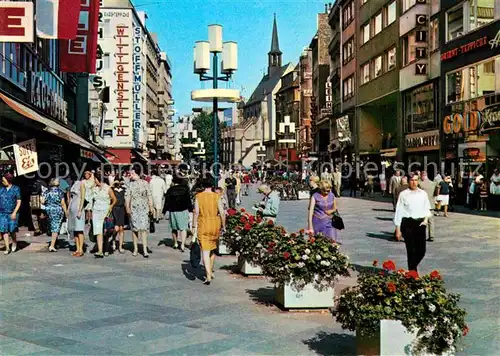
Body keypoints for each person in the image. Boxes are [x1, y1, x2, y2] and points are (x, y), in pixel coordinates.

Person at [394, 174, 432, 272]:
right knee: (411, 250)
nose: (414, 182)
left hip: (420, 224)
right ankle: (413, 275)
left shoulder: (423, 193)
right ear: (408, 181)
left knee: (421, 251)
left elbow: (427, 208)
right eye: (411, 180)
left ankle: (411, 271)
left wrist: (425, 221)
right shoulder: (403, 194)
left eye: (416, 180)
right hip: (407, 224)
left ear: (418, 181)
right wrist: (398, 229)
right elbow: (399, 211)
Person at [192, 176, 225, 285]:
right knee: (212, 248)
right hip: (215, 223)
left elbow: (196, 212)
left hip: (203, 223)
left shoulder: (198, 196)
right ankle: (210, 270)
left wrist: (193, 225)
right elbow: (222, 212)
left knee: (205, 251)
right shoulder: (217, 196)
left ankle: (208, 275)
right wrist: (223, 226)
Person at [126, 168, 154, 257]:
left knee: (144, 229)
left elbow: (149, 195)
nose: (131, 175)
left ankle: (145, 249)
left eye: (132, 173)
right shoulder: (130, 184)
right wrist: (127, 207)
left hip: (144, 208)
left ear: (137, 174)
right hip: (134, 208)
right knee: (135, 229)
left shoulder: (145, 183)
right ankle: (135, 249)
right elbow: (127, 197)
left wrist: (151, 207)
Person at [92, 173, 117, 258]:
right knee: (98, 231)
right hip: (96, 211)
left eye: (94, 179)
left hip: (105, 211)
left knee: (106, 231)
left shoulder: (108, 188)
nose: (94, 181)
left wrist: (110, 206)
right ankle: (100, 250)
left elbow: (114, 199)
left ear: (98, 179)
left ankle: (106, 248)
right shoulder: (94, 188)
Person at [165, 176, 192, 252]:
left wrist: (164, 210)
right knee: (183, 228)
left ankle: (176, 243)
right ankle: (182, 244)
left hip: (173, 210)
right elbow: (188, 200)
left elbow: (167, 201)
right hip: (183, 210)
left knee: (174, 228)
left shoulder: (170, 190)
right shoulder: (185, 189)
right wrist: (190, 209)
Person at [42, 179, 68, 252]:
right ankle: (52, 245)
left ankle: (55, 243)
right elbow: (63, 203)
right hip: (57, 210)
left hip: (48, 210)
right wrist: (66, 212)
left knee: (52, 226)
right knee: (56, 228)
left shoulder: (47, 191)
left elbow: (42, 201)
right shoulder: (60, 192)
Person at [0, 173, 22, 255]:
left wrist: (14, 212)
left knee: (12, 230)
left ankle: (14, 242)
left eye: (4, 180)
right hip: (2, 213)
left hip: (12, 212)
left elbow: (19, 201)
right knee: (4, 230)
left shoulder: (16, 189)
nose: (2, 181)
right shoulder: (1, 190)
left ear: (8, 180)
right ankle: (7, 247)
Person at [68, 175, 86, 257]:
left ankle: (81, 249)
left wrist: (80, 210)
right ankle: (77, 248)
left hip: (78, 207)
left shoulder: (81, 184)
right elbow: (71, 198)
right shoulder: (73, 184)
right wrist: (68, 208)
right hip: (72, 208)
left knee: (79, 229)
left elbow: (82, 197)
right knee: (74, 229)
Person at [418, 171, 436, 242]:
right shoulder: (433, 183)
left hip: (423, 205)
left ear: (422, 176)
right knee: (431, 221)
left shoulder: (420, 184)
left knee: (422, 220)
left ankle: (422, 235)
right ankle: (431, 236)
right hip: (431, 204)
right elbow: (435, 193)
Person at [112, 179, 126, 253]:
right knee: (116, 228)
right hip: (114, 209)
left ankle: (120, 246)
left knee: (121, 228)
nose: (118, 184)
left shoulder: (124, 189)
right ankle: (113, 240)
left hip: (122, 209)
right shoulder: (112, 189)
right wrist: (113, 183)